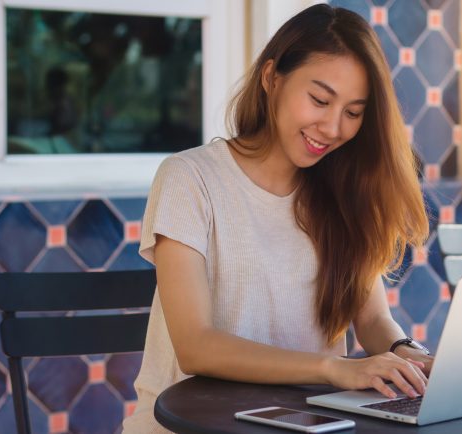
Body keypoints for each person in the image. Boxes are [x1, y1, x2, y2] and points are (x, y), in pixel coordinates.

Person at [122, 4, 431, 432]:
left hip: (301, 425)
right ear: (271, 78)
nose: (332, 127)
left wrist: (405, 351)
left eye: (353, 112)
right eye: (320, 100)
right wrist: (334, 368)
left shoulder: (343, 195)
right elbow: (196, 346)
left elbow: (374, 319)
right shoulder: (190, 178)